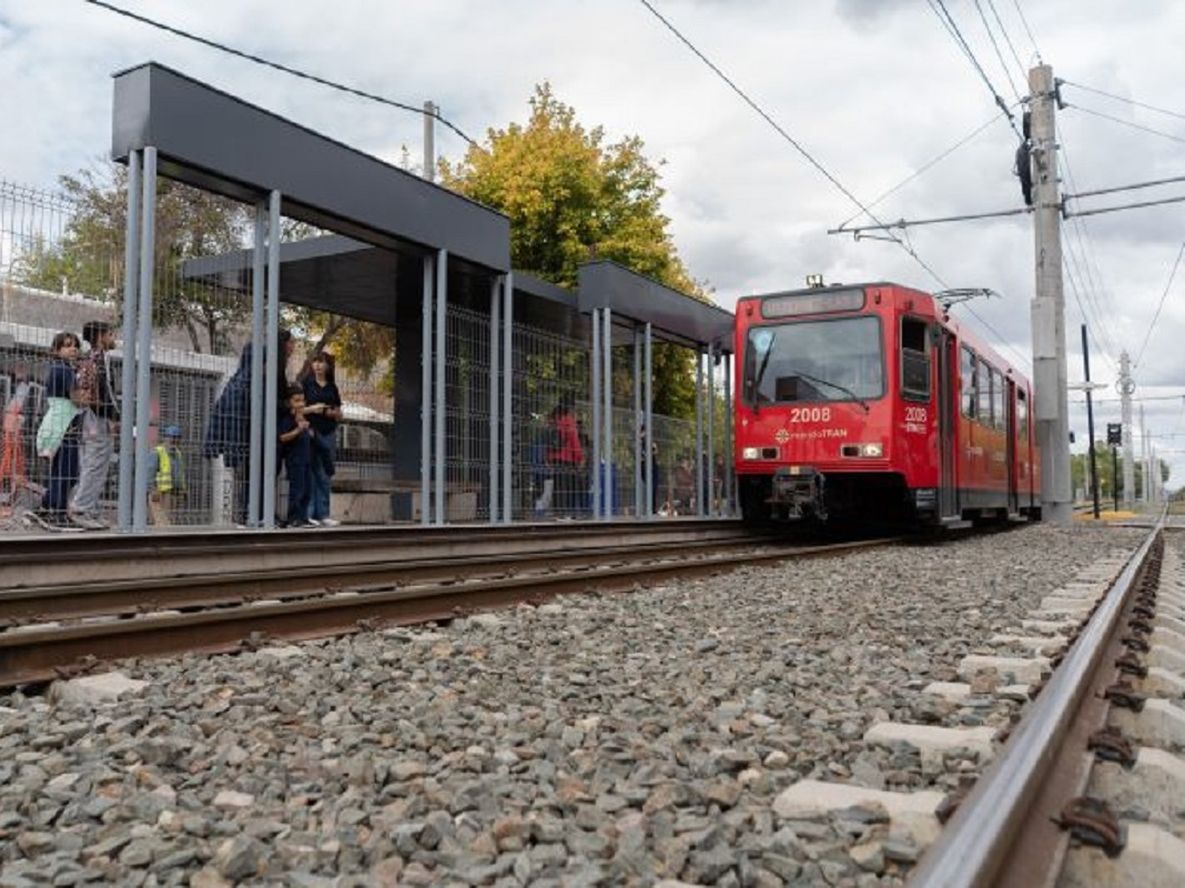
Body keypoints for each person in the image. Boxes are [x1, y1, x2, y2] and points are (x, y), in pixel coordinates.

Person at [69, 320, 120, 529]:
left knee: (95, 464)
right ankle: (81, 508)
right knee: (95, 463)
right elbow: (99, 394)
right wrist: (112, 417)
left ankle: (89, 509)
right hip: (96, 419)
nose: (113, 338)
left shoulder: (96, 359)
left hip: (94, 417)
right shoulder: (96, 360)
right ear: (100, 337)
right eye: (110, 334)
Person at [33, 332, 84, 529]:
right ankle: (58, 513)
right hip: (65, 429)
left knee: (61, 472)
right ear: (56, 350)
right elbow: (76, 399)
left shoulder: (59, 368)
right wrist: (90, 398)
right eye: (67, 345)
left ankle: (47, 506)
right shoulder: (64, 370)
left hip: (58, 427)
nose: (73, 349)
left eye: (75, 346)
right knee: (67, 473)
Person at [301, 351, 342, 527]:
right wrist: (313, 411)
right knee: (309, 472)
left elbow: (339, 413)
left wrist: (328, 412)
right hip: (310, 432)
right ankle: (309, 514)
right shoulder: (306, 384)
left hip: (328, 433)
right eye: (315, 362)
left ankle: (323, 514)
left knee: (325, 473)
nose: (318, 365)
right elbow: (298, 409)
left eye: (321, 362)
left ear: (327, 366)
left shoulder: (332, 387)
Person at [278, 384, 314, 527]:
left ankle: (303, 517)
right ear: (289, 402)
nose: (301, 404)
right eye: (297, 400)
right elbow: (282, 437)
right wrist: (298, 430)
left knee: (307, 490)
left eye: (302, 400)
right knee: (297, 490)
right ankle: (293, 518)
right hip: (295, 460)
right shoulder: (288, 419)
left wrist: (308, 432)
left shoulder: (302, 418)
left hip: (306, 460)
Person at [149, 425, 186, 526]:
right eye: (172, 437)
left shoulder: (178, 453)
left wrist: (182, 489)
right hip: (160, 493)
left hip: (174, 492)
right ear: (165, 438)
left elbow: (179, 473)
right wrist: (153, 489)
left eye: (177, 437)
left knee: (171, 522)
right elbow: (150, 472)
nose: (174, 440)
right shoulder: (157, 452)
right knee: (160, 522)